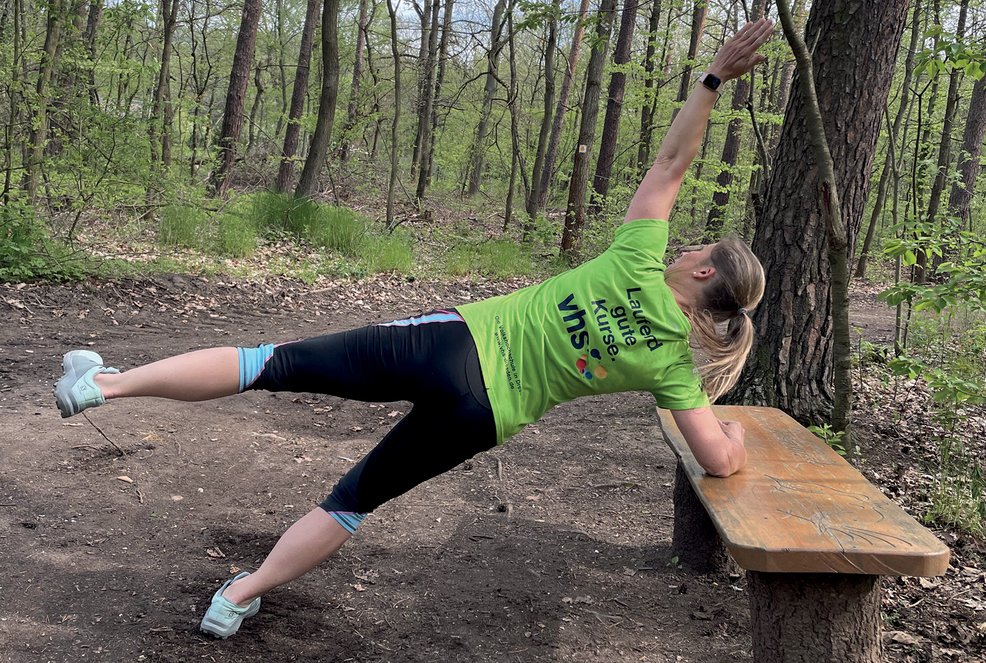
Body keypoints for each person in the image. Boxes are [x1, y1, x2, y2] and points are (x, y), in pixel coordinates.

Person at [54, 19, 773, 639]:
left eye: (699, 250)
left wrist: (713, 77)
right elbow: (716, 459)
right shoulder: (675, 365)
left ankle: (105, 384)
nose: (687, 246)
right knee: (351, 501)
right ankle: (236, 596)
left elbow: (672, 160)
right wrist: (736, 439)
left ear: (705, 274)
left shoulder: (638, 256)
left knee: (265, 361)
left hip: (447, 343)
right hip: (484, 413)